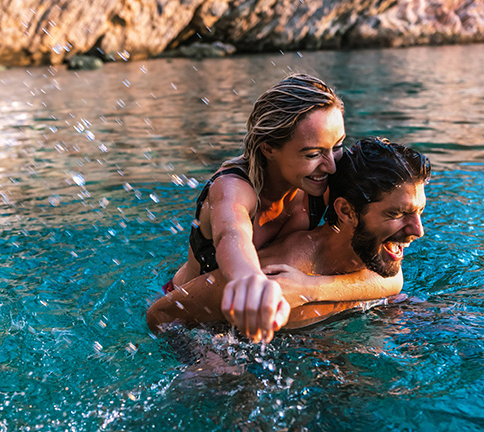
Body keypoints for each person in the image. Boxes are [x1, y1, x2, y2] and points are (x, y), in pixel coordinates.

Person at [166, 74, 400, 342]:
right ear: (269, 149)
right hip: (195, 322)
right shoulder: (233, 188)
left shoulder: (327, 179)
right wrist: (250, 282)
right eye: (312, 154)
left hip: (278, 306)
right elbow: (231, 235)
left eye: (337, 146)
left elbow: (391, 278)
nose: (332, 166)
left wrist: (310, 287)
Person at [147, 137, 431, 342]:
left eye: (419, 211)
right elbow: (161, 314)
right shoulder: (278, 274)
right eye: (397, 213)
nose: (418, 230)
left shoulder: (374, 255)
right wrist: (204, 356)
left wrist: (310, 289)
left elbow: (393, 282)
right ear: (345, 211)